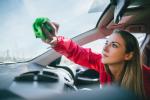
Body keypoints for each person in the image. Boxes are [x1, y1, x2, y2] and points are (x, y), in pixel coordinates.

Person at [41, 22, 150, 99]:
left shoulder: (146, 77)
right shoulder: (103, 65)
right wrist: (55, 41)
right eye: (106, 43)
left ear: (128, 55)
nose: (105, 48)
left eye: (114, 45)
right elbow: (78, 52)